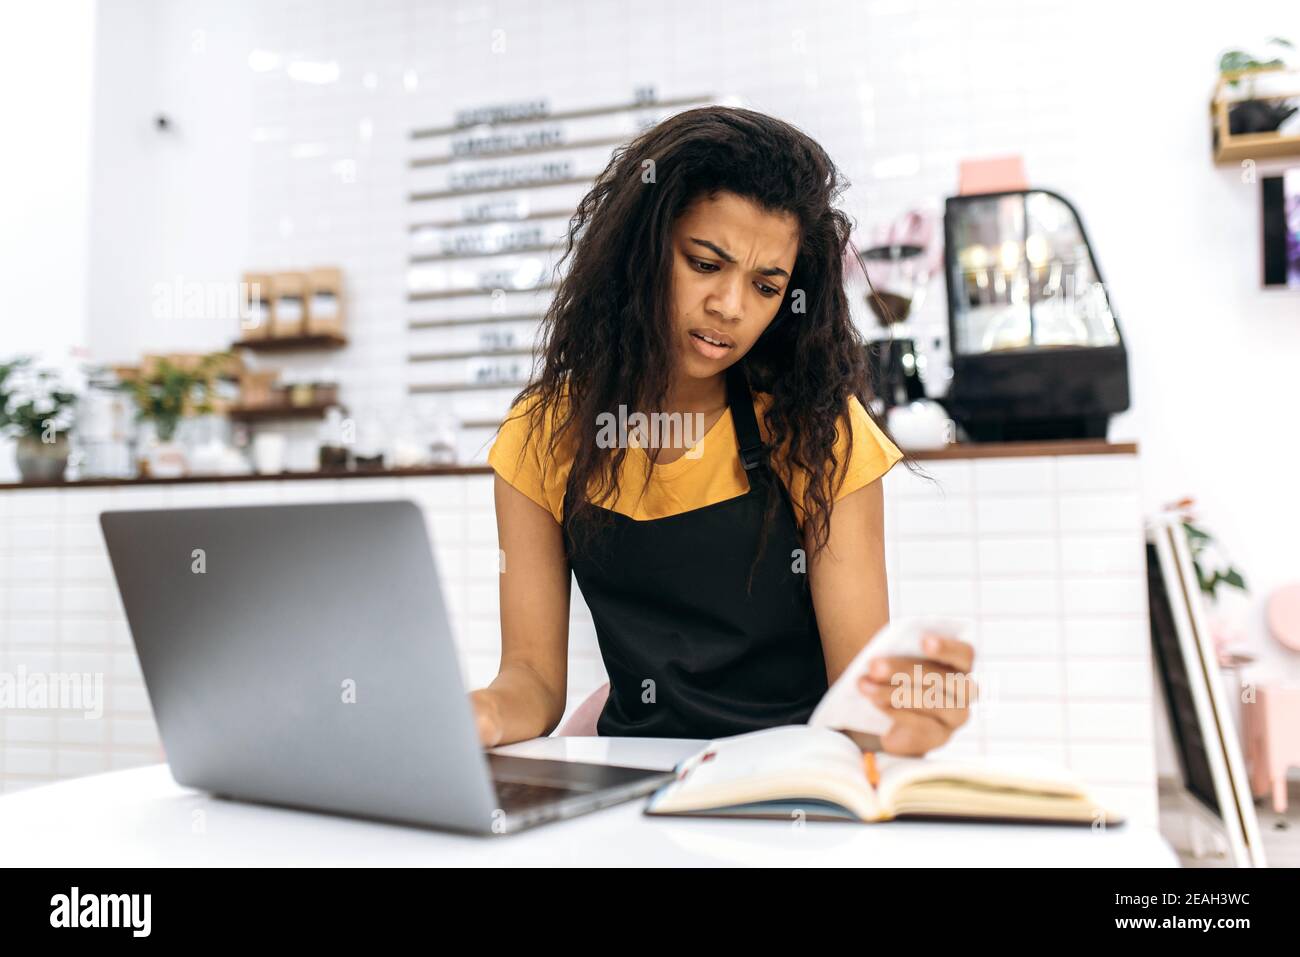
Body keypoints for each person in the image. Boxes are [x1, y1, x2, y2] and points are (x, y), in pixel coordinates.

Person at [473, 106, 975, 754]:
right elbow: (533, 682)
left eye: (767, 286)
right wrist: (480, 714)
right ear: (641, 251)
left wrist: (896, 710)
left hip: (791, 788)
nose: (730, 307)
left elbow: (857, 694)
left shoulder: (818, 431)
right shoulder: (545, 434)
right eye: (705, 264)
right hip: (628, 788)